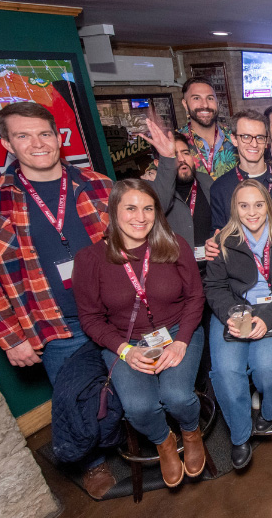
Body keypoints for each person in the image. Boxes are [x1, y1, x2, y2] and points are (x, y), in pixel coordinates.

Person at [0, 101, 116, 498]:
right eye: (23, 135)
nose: (38, 143)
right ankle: (90, 464)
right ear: (7, 143)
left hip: (114, 313)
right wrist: (10, 336)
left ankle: (132, 441)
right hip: (53, 321)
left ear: (58, 137)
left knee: (126, 387)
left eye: (45, 133)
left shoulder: (100, 185)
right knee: (75, 398)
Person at [73, 179, 206, 488]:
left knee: (177, 397)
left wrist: (183, 340)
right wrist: (125, 351)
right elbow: (91, 319)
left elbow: (195, 297)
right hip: (125, 341)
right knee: (139, 407)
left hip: (177, 330)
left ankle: (190, 430)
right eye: (130, 208)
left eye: (148, 208)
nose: (140, 217)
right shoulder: (90, 260)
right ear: (112, 212)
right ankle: (164, 442)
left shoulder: (173, 244)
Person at [204, 179, 272, 469]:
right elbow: (213, 286)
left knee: (265, 367)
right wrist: (231, 314)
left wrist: (267, 317)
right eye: (244, 205)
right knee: (226, 371)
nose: (252, 212)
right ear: (234, 209)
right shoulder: (222, 242)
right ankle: (239, 436)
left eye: (258, 204)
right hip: (235, 310)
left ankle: (269, 412)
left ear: (269, 205)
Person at [179, 77, 272, 179]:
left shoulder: (237, 135)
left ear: (216, 102)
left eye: (210, 98)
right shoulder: (175, 143)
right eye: (196, 98)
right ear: (185, 104)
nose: (205, 104)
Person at [209, 109, 272, 231]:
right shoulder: (220, 188)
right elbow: (217, 232)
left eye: (259, 137)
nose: (254, 144)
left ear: (266, 141)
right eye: (246, 137)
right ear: (234, 140)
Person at [143, 123, 214, 257]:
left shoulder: (206, 182)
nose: (182, 159)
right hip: (177, 267)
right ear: (159, 163)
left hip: (211, 266)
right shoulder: (152, 191)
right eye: (174, 156)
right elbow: (159, 207)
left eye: (185, 153)